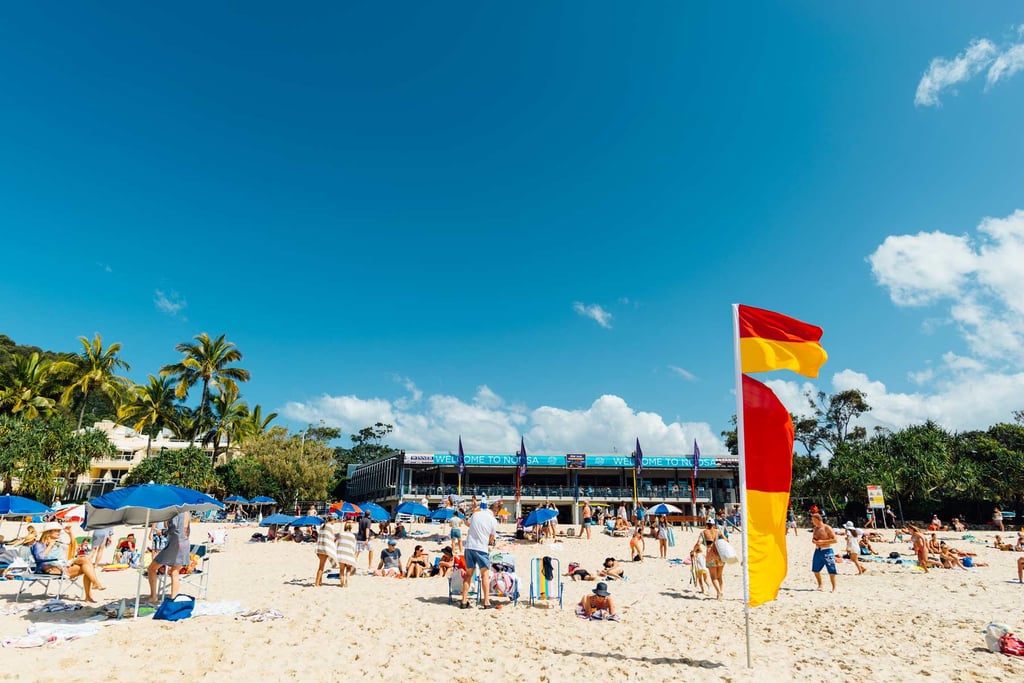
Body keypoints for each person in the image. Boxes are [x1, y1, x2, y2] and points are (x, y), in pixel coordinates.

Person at [31, 523, 106, 602]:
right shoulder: (38, 545)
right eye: (56, 531)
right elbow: (40, 558)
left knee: (86, 564)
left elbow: (75, 548)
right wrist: (50, 546)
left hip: (63, 566)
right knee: (86, 563)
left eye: (59, 531)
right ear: (48, 532)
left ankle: (93, 588)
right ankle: (93, 588)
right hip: (51, 569)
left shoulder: (57, 544)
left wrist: (70, 533)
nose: (59, 532)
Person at [145, 511, 190, 602]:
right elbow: (186, 530)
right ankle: (174, 598)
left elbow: (173, 528)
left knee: (151, 568)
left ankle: (153, 597)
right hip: (185, 542)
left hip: (174, 543)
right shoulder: (187, 511)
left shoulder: (176, 511)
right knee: (175, 572)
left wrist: (162, 531)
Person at [460, 502, 497, 609]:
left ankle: (463, 601)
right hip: (481, 549)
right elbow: (491, 537)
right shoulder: (493, 520)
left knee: (468, 574)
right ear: (495, 512)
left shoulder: (476, 514)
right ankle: (486, 602)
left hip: (469, 547)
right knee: (484, 575)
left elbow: (467, 523)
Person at [810, 513, 838, 592]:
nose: (812, 522)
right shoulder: (815, 529)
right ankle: (820, 585)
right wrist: (814, 541)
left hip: (827, 550)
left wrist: (823, 541)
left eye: (813, 520)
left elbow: (835, 540)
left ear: (818, 520)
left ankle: (834, 587)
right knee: (815, 570)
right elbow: (814, 538)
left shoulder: (827, 528)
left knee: (831, 570)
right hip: (818, 551)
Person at [701, 519, 725, 599]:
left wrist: (694, 550)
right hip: (720, 554)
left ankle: (719, 592)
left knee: (713, 577)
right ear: (714, 524)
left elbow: (698, 543)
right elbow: (726, 540)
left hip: (710, 555)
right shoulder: (718, 531)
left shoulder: (703, 532)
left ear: (707, 525)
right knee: (720, 576)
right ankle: (720, 594)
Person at [313, 516, 338, 587]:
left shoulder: (322, 526)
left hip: (319, 547)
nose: (335, 522)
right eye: (335, 520)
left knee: (321, 566)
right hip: (325, 548)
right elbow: (332, 538)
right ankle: (316, 583)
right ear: (332, 519)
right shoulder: (330, 526)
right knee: (321, 567)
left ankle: (319, 582)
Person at [335, 521, 357, 587]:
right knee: (348, 569)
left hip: (341, 553)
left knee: (341, 570)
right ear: (351, 528)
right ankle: (347, 580)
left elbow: (337, 544)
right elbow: (354, 546)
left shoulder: (341, 534)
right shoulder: (353, 536)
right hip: (349, 554)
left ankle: (341, 584)